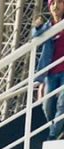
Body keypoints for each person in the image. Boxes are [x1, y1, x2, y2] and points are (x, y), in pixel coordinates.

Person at [33, 0, 64, 140]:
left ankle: (53, 135)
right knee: (47, 106)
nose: (55, 6)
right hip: (50, 73)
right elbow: (35, 35)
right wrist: (37, 27)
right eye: (52, 3)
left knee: (62, 103)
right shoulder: (47, 27)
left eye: (59, 2)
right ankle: (57, 129)